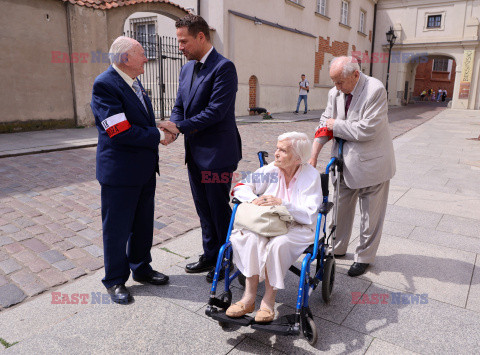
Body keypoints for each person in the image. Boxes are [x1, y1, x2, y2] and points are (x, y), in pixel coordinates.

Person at [159, 14, 242, 282]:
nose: (180, 46)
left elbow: (216, 112)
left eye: (183, 41)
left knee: (218, 207)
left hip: (218, 154)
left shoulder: (224, 68)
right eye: (178, 41)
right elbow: (180, 104)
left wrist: (180, 128)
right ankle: (210, 255)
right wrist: (174, 127)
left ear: (201, 37)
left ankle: (228, 259)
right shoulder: (186, 68)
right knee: (202, 207)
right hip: (194, 153)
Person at [90, 36, 173, 304]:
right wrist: (156, 134)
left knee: (142, 224)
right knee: (117, 229)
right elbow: (117, 130)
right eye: (141, 54)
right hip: (120, 173)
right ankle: (114, 280)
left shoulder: (135, 83)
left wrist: (157, 125)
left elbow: (136, 119)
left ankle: (142, 268)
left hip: (145, 170)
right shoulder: (105, 84)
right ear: (125, 58)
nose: (146, 58)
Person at [309, 56, 396, 277]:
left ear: (356, 75)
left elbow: (367, 130)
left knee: (370, 216)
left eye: (340, 82)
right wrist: (314, 155)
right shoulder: (334, 92)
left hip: (371, 165)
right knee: (339, 208)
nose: (336, 87)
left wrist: (335, 125)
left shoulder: (375, 90)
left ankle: (364, 257)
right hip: (342, 163)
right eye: (334, 81)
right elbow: (325, 122)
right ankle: (337, 248)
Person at [225, 132, 321, 322]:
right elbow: (241, 186)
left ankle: (268, 302)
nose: (276, 153)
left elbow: (309, 213)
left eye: (282, 150)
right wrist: (255, 199)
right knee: (250, 238)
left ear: (297, 158)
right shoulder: (271, 170)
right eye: (277, 148)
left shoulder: (311, 176)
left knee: (278, 245)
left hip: (297, 227)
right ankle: (248, 298)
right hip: (268, 224)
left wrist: (282, 204)